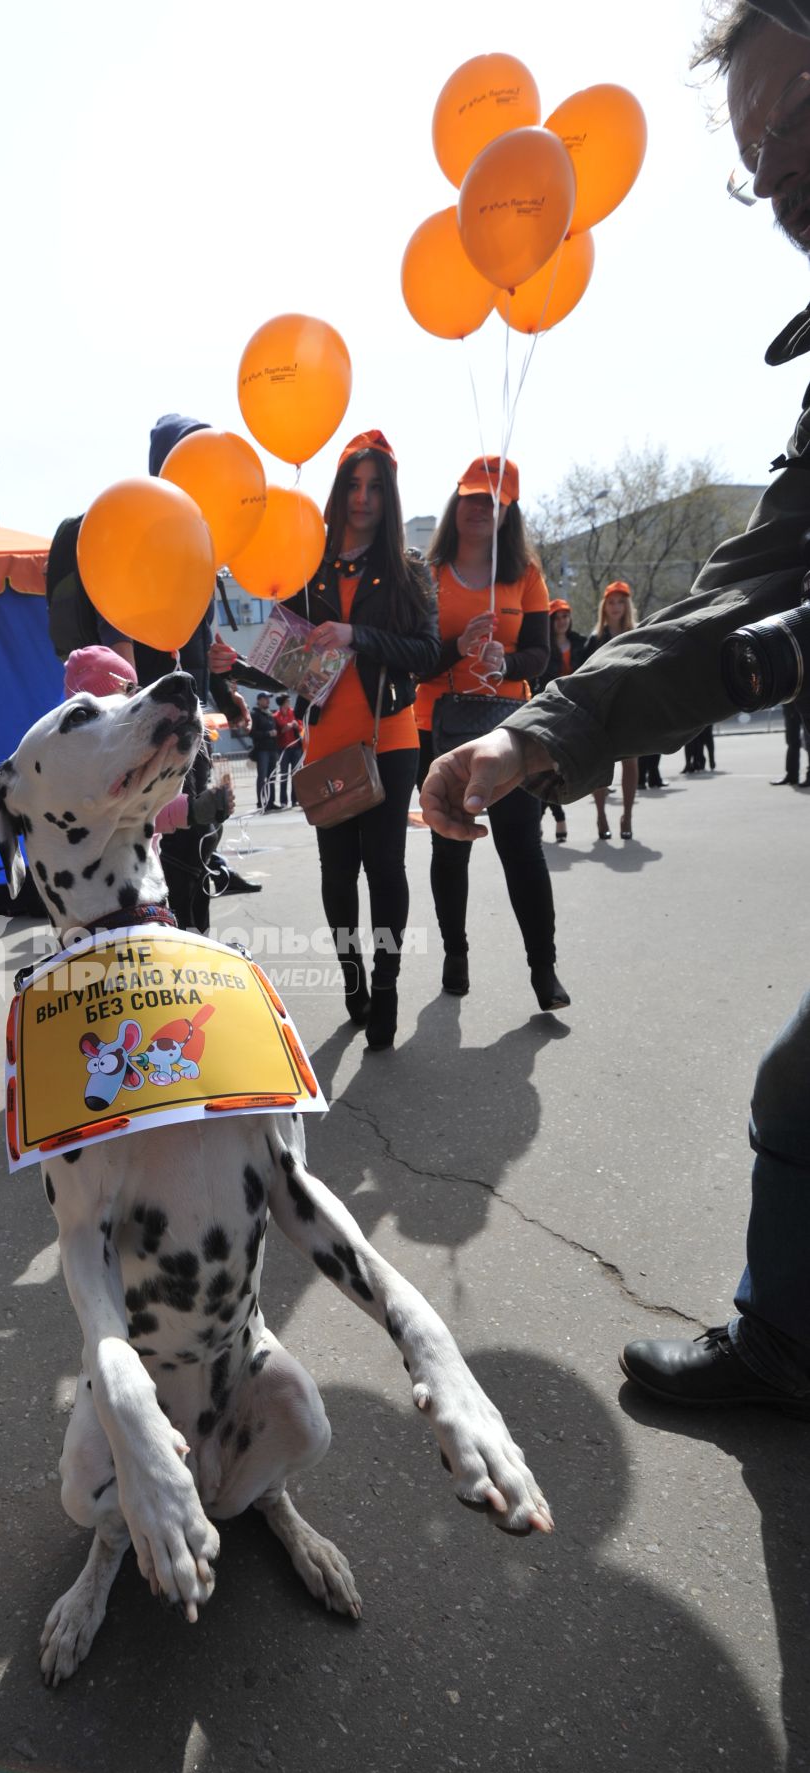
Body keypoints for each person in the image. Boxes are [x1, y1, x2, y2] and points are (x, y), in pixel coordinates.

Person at [419, 0, 810, 1417]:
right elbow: (744, 588)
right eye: (749, 142)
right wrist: (532, 732)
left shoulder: (530, 567)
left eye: (790, 115)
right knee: (799, 1093)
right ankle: (784, 1351)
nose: (764, 166)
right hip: (488, 737)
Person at [283, 429, 439, 1051]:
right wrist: (230, 665)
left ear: (390, 495)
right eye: (353, 484)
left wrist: (357, 635)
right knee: (336, 872)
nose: (363, 498)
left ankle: (388, 984)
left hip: (389, 738)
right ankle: (353, 977)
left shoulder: (409, 570)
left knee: (386, 866)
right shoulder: (306, 564)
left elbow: (427, 653)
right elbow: (289, 656)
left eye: (375, 487)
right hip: (323, 740)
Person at [416, 457, 568, 1011]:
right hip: (438, 726)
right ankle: (456, 954)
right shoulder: (427, 574)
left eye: (493, 500)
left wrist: (506, 663)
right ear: (456, 502)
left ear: (509, 511)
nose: (480, 508)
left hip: (510, 730)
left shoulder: (525, 572)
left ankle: (544, 969)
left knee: (522, 849)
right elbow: (414, 660)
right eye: (472, 497)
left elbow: (540, 656)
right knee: (449, 845)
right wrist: (457, 648)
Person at [61, 646, 234, 932]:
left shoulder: (127, 744)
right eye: (128, 691)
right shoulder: (94, 759)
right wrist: (193, 811)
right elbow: (137, 810)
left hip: (144, 878)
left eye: (135, 689)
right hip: (111, 896)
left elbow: (151, 799)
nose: (135, 699)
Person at [582, 582, 644, 837]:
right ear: (604, 607)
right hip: (600, 710)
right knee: (600, 766)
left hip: (629, 708)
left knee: (630, 763)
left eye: (621, 602)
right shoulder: (594, 640)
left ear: (627, 605)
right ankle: (600, 817)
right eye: (611, 602)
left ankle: (627, 818)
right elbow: (583, 676)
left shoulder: (639, 634)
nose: (616, 607)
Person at [539, 599, 576, 841]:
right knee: (547, 767)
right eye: (556, 617)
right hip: (549, 711)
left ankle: (541, 818)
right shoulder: (545, 647)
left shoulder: (583, 643)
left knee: (560, 769)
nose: (561, 621)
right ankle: (557, 817)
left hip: (577, 711)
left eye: (565, 616)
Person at [272, 692, 303, 808]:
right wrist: (286, 727)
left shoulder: (294, 713)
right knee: (284, 775)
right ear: (282, 703)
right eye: (287, 701)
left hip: (296, 748)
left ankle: (295, 800)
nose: (289, 703)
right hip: (283, 749)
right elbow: (278, 732)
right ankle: (283, 801)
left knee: (296, 775)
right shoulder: (275, 716)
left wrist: (296, 726)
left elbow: (301, 727)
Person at [250, 692, 279, 811]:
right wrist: (268, 734)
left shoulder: (270, 714)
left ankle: (271, 802)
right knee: (262, 777)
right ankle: (261, 803)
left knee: (272, 777)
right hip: (262, 751)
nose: (268, 701)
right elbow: (252, 733)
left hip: (272, 749)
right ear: (259, 700)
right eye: (265, 699)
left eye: (268, 699)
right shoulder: (255, 714)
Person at [772, 700, 807, 784]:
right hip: (790, 705)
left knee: (808, 742)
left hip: (806, 703)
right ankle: (791, 776)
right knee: (791, 741)